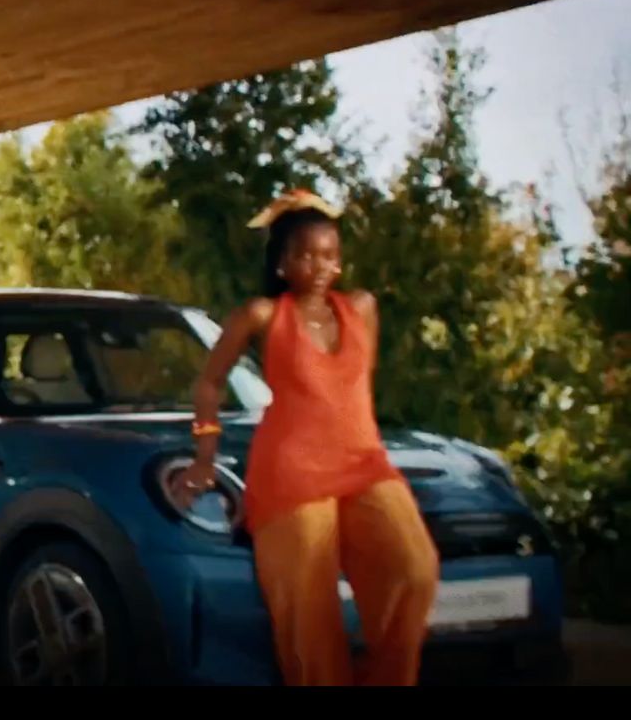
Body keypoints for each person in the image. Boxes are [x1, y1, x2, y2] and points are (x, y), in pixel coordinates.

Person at [176, 188, 439, 686]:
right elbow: (208, 383)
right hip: (292, 471)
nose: (319, 265)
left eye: (329, 255)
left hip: (364, 462)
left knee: (414, 568)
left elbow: (358, 385)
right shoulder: (263, 315)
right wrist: (204, 458)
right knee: (309, 612)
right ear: (282, 263)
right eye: (305, 254)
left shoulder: (361, 308)